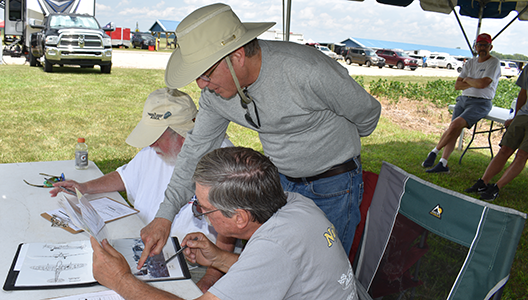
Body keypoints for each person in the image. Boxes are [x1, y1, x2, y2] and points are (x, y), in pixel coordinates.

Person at [139, 3, 382, 274]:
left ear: (238, 56)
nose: (200, 85)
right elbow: (195, 151)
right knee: (276, 267)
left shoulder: (307, 71)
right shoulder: (215, 95)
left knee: (322, 271)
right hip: (280, 183)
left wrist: (327, 145)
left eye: (205, 73)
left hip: (334, 185)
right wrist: (165, 215)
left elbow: (367, 114)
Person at [90, 147, 360, 300]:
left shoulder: (275, 245)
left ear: (240, 218)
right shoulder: (295, 203)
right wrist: (220, 258)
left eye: (203, 208)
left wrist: (120, 279)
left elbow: (273, 259)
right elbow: (279, 270)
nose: (199, 213)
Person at [50, 87, 233, 243]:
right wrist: (85, 187)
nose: (151, 144)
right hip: (145, 241)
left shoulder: (223, 160)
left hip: (191, 261)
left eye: (157, 138)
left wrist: (211, 275)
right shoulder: (156, 151)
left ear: (182, 133)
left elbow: (229, 232)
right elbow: (125, 177)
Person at [422, 33, 501, 173]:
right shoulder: (471, 62)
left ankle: (434, 152)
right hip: (464, 99)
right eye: (480, 45)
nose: (482, 48)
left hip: (481, 103)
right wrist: (473, 82)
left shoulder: (493, 62)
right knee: (454, 130)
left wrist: (468, 80)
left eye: (485, 45)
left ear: (490, 47)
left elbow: (483, 83)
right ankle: (443, 164)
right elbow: (457, 85)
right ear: (475, 46)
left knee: (455, 125)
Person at [464, 64, 528, 201]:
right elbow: (523, 94)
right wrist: (516, 116)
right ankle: (483, 182)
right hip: (523, 116)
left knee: (522, 155)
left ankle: (496, 188)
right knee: (505, 149)